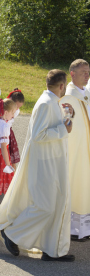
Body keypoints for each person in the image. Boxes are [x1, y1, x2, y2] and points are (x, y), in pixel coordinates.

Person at [0, 69, 75, 262]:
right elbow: (39, 135)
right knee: (45, 206)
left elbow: (53, 127)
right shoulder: (46, 103)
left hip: (54, 161)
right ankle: (11, 233)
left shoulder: (53, 102)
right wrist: (64, 129)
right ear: (62, 85)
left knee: (55, 205)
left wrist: (66, 119)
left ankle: (52, 250)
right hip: (45, 163)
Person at [59, 59, 90, 242]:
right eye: (83, 72)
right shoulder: (68, 97)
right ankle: (71, 229)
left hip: (86, 148)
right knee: (74, 183)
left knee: (85, 186)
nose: (87, 75)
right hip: (74, 150)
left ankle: (84, 229)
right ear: (72, 73)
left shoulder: (86, 93)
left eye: (88, 72)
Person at [6, 89, 25, 170]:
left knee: (11, 157)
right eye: (16, 106)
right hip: (1, 132)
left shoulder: (16, 111)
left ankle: (13, 178)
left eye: (18, 107)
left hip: (8, 133)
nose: (17, 109)